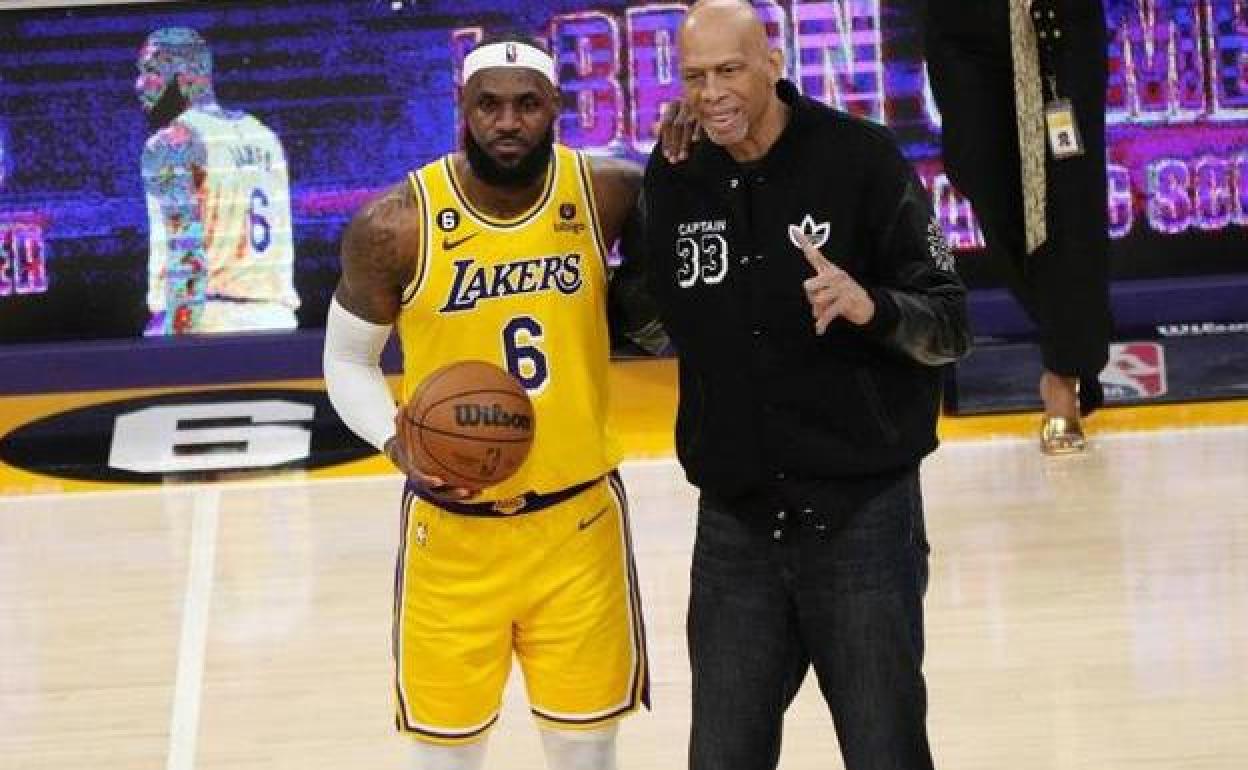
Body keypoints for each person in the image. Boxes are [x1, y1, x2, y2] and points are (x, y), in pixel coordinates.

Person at [634, 1, 971, 768]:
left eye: (729, 70)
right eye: (694, 76)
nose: (711, 93)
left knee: (885, 753)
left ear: (773, 63)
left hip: (861, 520)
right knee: (721, 758)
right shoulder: (679, 171)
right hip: (738, 525)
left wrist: (871, 306)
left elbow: (951, 323)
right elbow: (647, 317)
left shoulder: (861, 158)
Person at [322, 35, 653, 770]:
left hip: (578, 525)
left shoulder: (607, 193)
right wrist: (396, 442)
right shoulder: (396, 225)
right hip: (454, 536)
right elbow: (346, 360)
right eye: (490, 105)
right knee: (445, 758)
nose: (508, 122)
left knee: (587, 753)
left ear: (556, 107)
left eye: (527, 104)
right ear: (462, 108)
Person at [925, 0, 1113, 453]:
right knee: (976, 169)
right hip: (962, 22)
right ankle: (1075, 336)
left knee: (1066, 197)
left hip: (1053, 20)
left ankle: (1063, 378)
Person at [135, 27, 299, 335]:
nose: (140, 84)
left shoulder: (172, 142)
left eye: (150, 71)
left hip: (206, 320)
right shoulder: (265, 136)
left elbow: (187, 256)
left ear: (184, 74)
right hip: (276, 320)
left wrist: (173, 343)